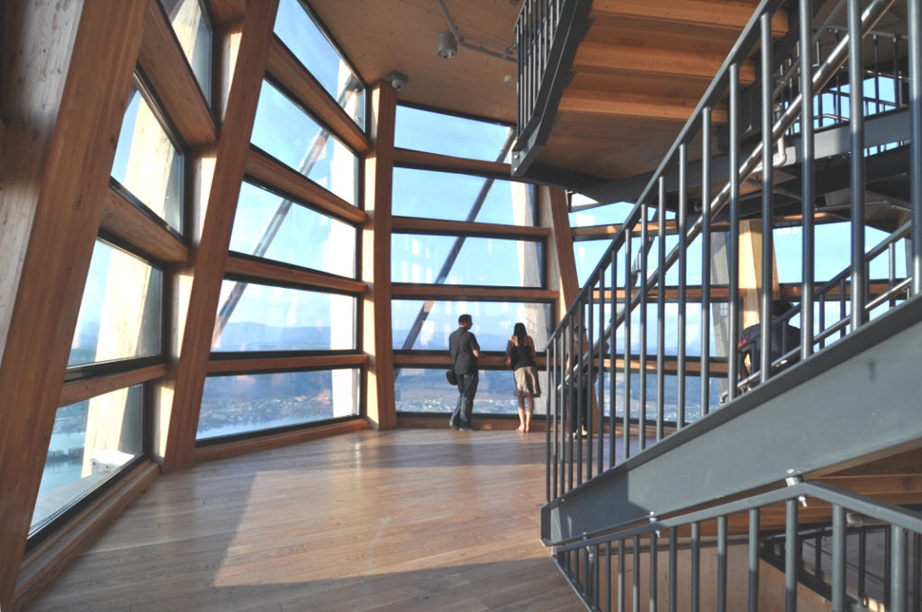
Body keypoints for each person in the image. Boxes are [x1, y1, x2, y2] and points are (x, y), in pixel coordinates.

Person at [738, 298, 800, 388]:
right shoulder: (797, 333)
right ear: (788, 315)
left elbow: (737, 357)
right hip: (789, 384)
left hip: (759, 384)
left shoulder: (749, 332)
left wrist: (748, 383)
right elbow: (808, 357)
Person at [504, 322, 541, 433]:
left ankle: (522, 425)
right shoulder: (529, 339)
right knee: (530, 398)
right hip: (531, 368)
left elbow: (507, 354)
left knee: (521, 399)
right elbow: (534, 355)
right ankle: (528, 425)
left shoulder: (512, 338)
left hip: (519, 369)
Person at [449, 314, 481, 431]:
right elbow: (476, 353)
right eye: (471, 322)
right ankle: (464, 424)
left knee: (462, 395)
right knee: (467, 397)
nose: (472, 324)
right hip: (469, 368)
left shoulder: (452, 336)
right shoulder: (469, 335)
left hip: (457, 369)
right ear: (466, 322)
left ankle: (454, 420)